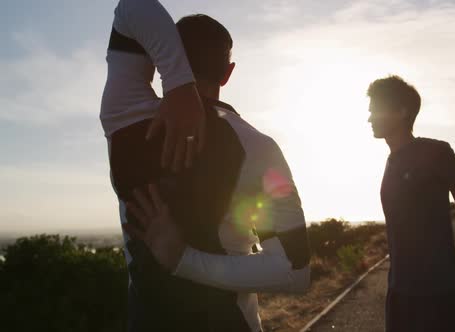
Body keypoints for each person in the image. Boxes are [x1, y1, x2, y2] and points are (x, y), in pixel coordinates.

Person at [101, 2, 310, 331]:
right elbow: (294, 272)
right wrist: (184, 260)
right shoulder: (259, 147)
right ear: (228, 74)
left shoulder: (123, 116)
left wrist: (178, 83)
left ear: (158, 61)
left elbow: (133, 6)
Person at [366, 75, 455, 332]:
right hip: (399, 293)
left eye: (375, 110)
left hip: (438, 293)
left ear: (401, 112)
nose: (369, 118)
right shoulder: (390, 161)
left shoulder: (437, 152)